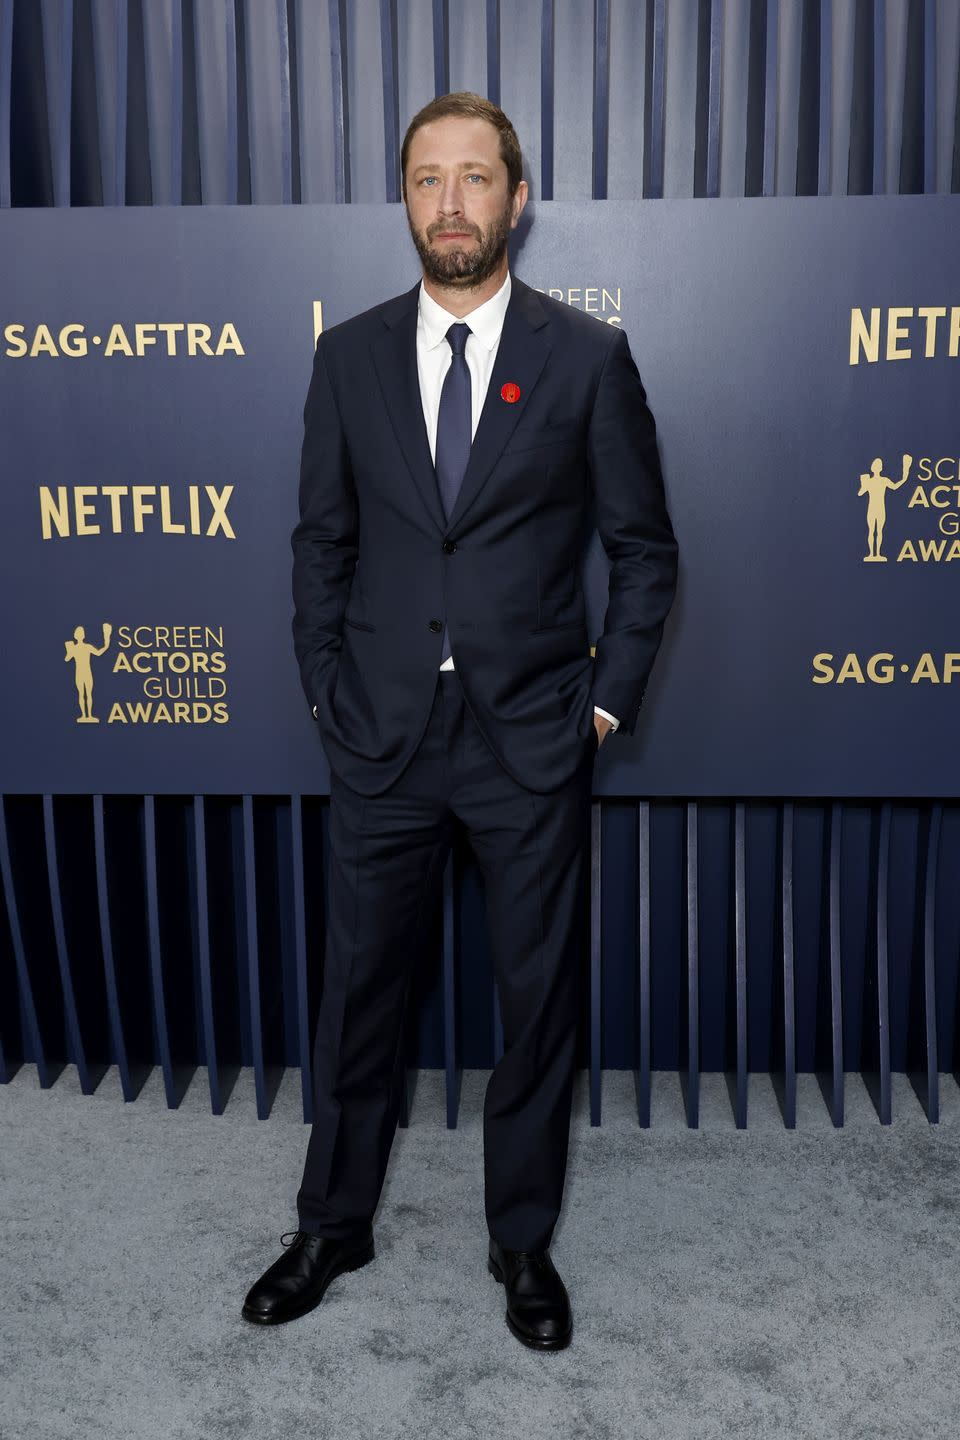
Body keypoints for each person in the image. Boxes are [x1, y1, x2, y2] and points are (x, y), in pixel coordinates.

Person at [242, 91, 678, 1350]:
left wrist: (601, 706)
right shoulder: (350, 357)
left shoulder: (586, 360)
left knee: (536, 1002)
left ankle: (522, 1241)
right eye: (427, 179)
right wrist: (326, 689)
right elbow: (321, 544)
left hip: (530, 740)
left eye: (475, 178)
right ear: (405, 199)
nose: (451, 203)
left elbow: (645, 554)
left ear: (517, 197)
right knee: (359, 993)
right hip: (379, 735)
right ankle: (333, 1222)